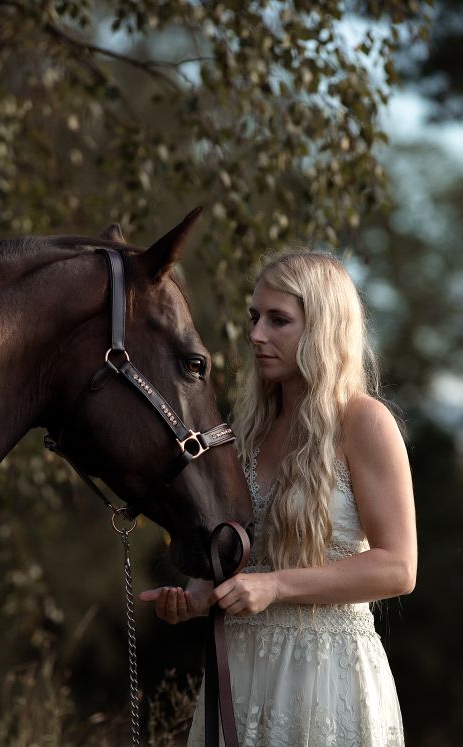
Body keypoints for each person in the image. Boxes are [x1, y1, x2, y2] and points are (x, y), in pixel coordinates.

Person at [140, 250, 417, 746]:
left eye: (278, 320)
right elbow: (236, 558)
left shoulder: (365, 423)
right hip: (242, 673)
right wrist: (196, 598)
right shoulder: (244, 433)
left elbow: (398, 568)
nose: (256, 335)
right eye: (254, 317)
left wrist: (276, 587)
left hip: (327, 675)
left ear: (323, 329)